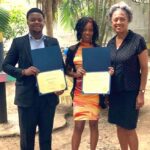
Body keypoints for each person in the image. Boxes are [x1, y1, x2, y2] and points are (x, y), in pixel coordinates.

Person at [2, 8, 64, 150]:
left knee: (46, 138)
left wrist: (60, 86)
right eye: (33, 19)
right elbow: (6, 65)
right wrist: (23, 71)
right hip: (27, 99)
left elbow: (59, 66)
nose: (36, 22)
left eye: (39, 19)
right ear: (28, 22)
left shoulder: (53, 42)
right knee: (27, 138)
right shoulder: (19, 42)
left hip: (48, 98)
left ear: (43, 22)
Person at [65, 17, 113, 150]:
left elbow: (104, 69)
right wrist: (75, 74)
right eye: (85, 29)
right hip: (79, 93)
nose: (87, 32)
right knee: (78, 126)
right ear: (80, 31)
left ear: (94, 31)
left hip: (94, 93)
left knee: (93, 124)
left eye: (90, 30)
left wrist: (109, 72)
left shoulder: (99, 49)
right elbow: (67, 70)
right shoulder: (73, 49)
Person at [107, 2, 148, 150]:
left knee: (129, 127)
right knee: (119, 126)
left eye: (122, 18)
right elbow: (110, 67)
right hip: (115, 92)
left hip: (131, 92)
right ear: (111, 21)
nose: (118, 22)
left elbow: (144, 68)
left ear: (128, 19)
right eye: (115, 19)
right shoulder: (110, 44)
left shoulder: (137, 40)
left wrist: (141, 93)